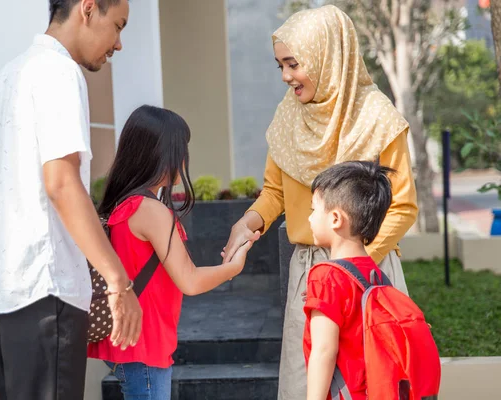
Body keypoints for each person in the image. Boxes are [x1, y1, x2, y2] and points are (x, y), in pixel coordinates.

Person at [221, 5, 418, 399]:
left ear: (327, 56)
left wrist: (351, 263)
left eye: (293, 64)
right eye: (280, 65)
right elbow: (274, 192)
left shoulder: (379, 117)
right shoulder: (287, 118)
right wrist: (249, 222)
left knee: (372, 382)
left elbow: (402, 205)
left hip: (369, 273)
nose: (285, 77)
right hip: (311, 273)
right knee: (306, 383)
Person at [0, 1, 142, 399]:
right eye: (118, 26)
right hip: (44, 289)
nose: (119, 43)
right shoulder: (59, 72)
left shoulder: (2, 80)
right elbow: (61, 183)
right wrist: (117, 282)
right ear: (88, 9)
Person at [88, 105, 259, 400]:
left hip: (131, 344)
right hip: (144, 345)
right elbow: (189, 280)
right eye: (179, 150)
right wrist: (234, 266)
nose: (183, 159)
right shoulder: (151, 210)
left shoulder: (124, 203)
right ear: (158, 154)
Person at [304, 161, 394, 400]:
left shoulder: (326, 276)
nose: (310, 218)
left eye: (313, 209)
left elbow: (324, 350)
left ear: (335, 219)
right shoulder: (377, 274)